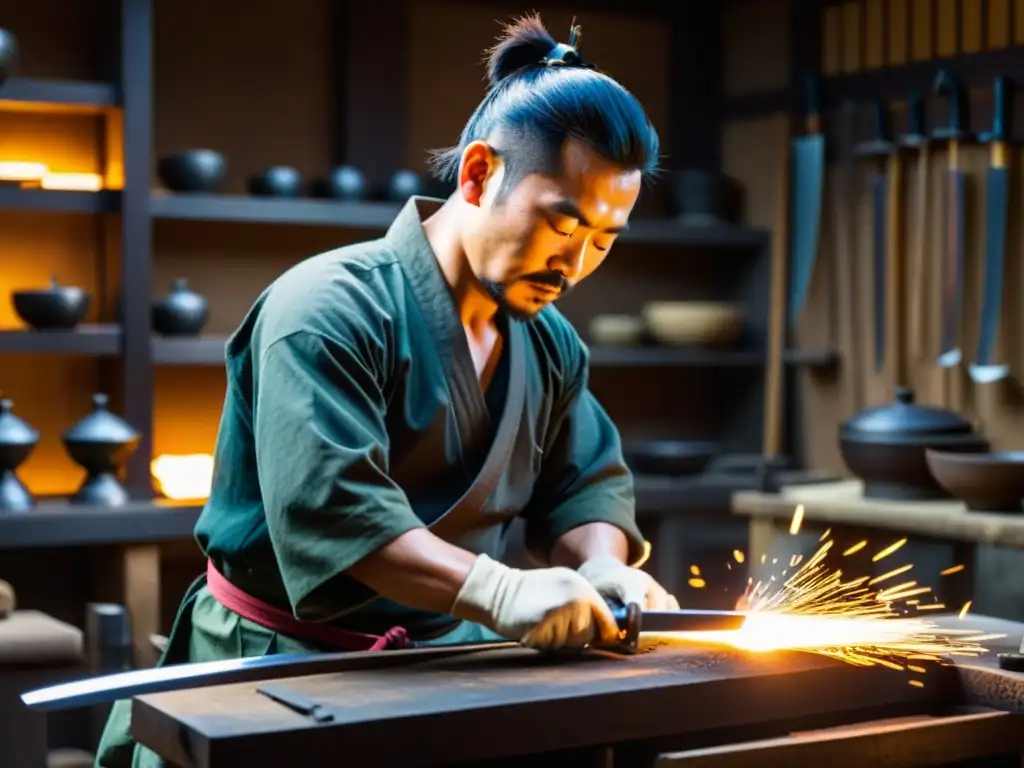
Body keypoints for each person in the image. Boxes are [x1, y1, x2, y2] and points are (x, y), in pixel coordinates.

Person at [96, 13, 679, 767]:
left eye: (605, 239)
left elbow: (584, 482)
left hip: (453, 660)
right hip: (281, 663)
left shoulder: (550, 342)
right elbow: (336, 510)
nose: (577, 261)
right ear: (478, 174)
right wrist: (501, 592)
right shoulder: (325, 309)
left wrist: (604, 564)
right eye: (563, 222)